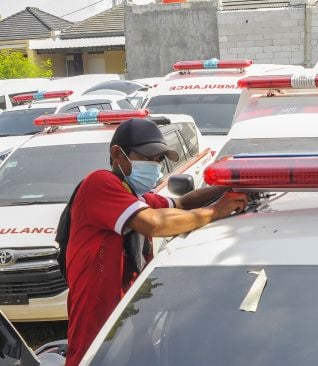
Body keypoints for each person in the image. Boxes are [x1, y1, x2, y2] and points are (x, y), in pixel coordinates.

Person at [65, 118, 248, 366]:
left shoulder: (135, 196)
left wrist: (223, 183)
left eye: (159, 159)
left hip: (130, 322)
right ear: (117, 154)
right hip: (97, 333)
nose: (155, 166)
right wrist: (216, 211)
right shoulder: (99, 183)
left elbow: (182, 203)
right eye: (148, 157)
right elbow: (155, 223)